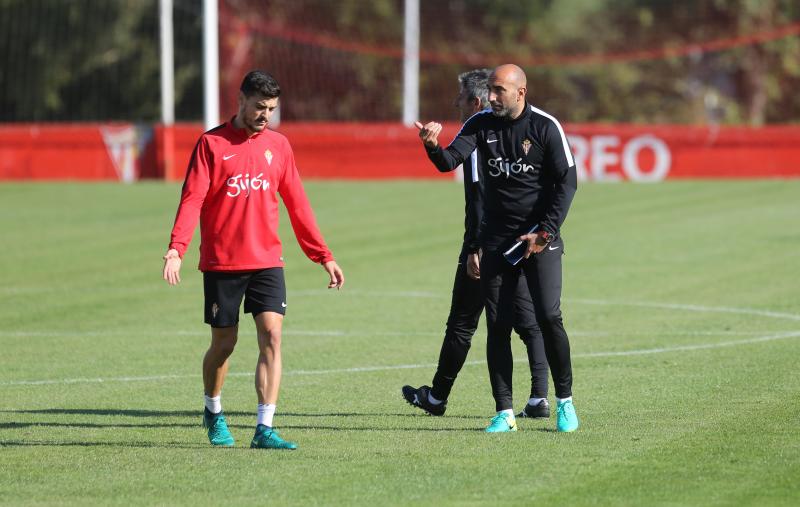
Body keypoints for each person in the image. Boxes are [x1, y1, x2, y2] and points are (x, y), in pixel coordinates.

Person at [162, 70, 344, 450]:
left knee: (273, 337)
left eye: (272, 109)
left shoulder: (279, 146)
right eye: (260, 107)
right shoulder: (211, 144)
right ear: (241, 100)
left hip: (266, 260)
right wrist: (176, 248)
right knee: (224, 345)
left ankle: (264, 428)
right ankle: (213, 410)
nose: (266, 115)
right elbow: (192, 199)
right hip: (223, 263)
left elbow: (297, 203)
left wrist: (322, 255)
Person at [414, 64, 579, 433]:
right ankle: (503, 412)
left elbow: (567, 183)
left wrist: (545, 233)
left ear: (521, 92)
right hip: (496, 242)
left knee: (549, 317)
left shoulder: (546, 127)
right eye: (490, 90)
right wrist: (431, 146)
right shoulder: (479, 124)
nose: (491, 97)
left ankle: (564, 402)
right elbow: (448, 161)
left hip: (539, 241)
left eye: (499, 90)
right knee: (498, 325)